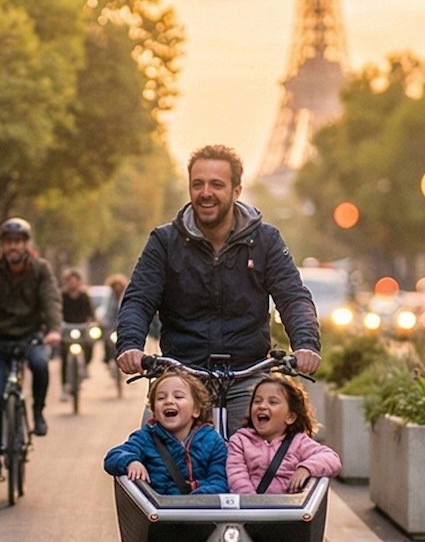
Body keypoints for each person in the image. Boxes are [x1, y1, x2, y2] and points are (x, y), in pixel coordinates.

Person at [113, 144, 321, 433]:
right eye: (197, 184)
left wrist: (306, 344)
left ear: (236, 191)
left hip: (247, 377)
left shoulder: (266, 240)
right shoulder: (164, 241)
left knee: (275, 459)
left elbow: (293, 297)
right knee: (148, 461)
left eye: (216, 184)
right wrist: (130, 345)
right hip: (181, 375)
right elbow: (138, 299)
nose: (205, 192)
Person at [0, 218, 62, 483]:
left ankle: (38, 412)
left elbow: (51, 299)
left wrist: (54, 329)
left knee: (41, 365)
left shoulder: (40, 269)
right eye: (9, 242)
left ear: (26, 244)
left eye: (18, 241)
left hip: (30, 336)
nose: (13, 247)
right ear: (3, 245)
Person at [103, 368, 228, 495]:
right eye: (161, 398)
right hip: (158, 509)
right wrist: (130, 461)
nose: (169, 401)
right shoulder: (146, 438)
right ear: (154, 412)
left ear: (196, 410)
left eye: (178, 396)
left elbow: (220, 481)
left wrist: (194, 501)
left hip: (200, 510)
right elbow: (114, 455)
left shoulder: (213, 441)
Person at [225, 374, 339, 494]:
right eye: (257, 401)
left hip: (288, 508)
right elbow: (236, 475)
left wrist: (306, 468)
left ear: (290, 417)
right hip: (251, 507)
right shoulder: (240, 441)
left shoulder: (298, 442)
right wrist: (252, 504)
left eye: (273, 402)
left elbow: (331, 459)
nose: (262, 406)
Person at [59, 267, 97, 400]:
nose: (72, 284)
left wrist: (92, 322)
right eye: (69, 281)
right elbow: (57, 312)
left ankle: (85, 367)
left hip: (82, 329)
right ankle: (65, 386)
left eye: (74, 281)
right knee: (64, 355)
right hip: (66, 329)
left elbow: (91, 313)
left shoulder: (84, 296)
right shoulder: (61, 296)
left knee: (90, 345)